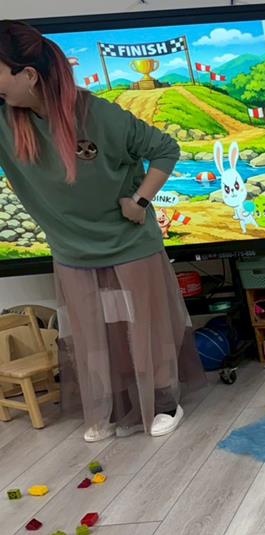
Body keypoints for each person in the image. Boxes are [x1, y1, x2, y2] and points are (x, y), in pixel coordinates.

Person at [0, 20, 205, 441]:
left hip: (129, 243)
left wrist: (140, 201)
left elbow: (165, 149)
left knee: (144, 327)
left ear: (28, 74)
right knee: (94, 333)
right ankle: (115, 406)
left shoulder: (98, 115)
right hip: (72, 250)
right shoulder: (6, 122)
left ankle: (164, 402)